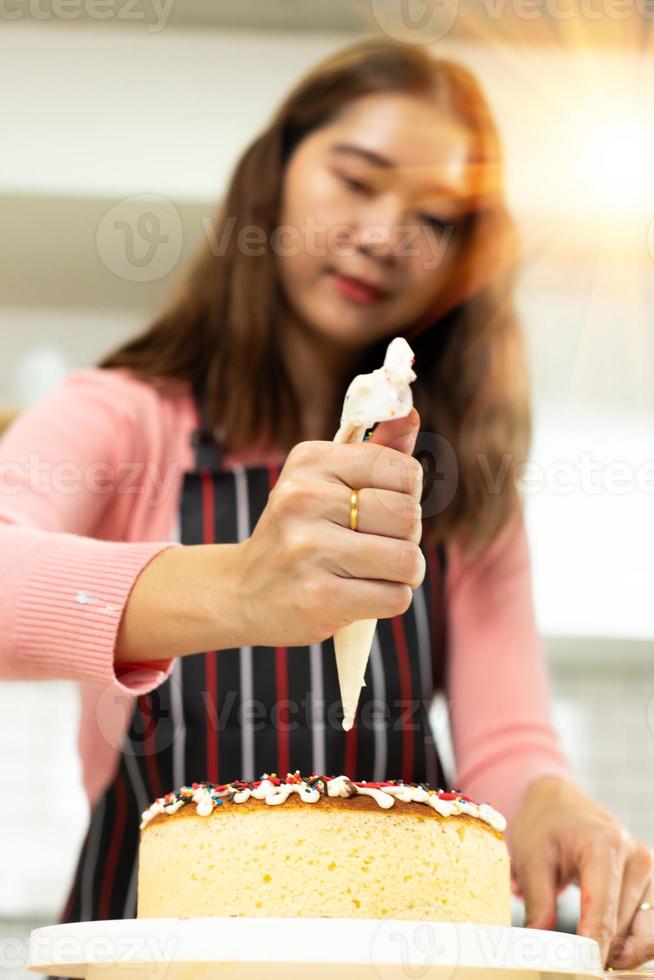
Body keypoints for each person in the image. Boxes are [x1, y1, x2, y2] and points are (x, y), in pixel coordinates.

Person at [0, 38, 651, 968]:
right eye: (358, 179)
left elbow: (506, 738)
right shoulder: (123, 419)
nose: (387, 234)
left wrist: (551, 803)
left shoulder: (461, 478)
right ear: (273, 180)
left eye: (437, 218)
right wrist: (238, 588)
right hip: (156, 952)